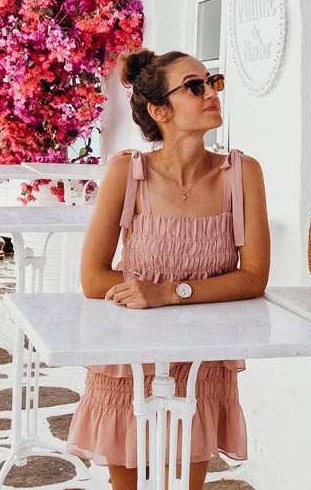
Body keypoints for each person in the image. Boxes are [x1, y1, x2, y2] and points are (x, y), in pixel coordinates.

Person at [67, 48, 270, 490]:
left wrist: (169, 292)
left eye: (211, 81)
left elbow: (253, 277)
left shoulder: (242, 173)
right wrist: (147, 294)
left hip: (201, 359)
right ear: (160, 110)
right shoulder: (127, 173)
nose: (211, 93)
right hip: (128, 360)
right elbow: (93, 278)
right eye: (194, 86)